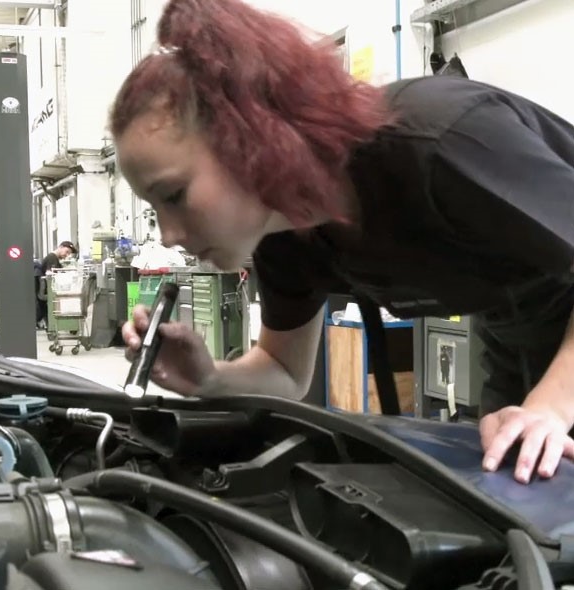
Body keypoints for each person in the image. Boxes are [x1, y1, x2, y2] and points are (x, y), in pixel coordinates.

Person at [113, 0, 574, 485]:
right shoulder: (283, 233)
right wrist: (209, 378)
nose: (168, 235)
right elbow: (285, 372)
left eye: (174, 195)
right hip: (512, 337)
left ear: (245, 141)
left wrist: (549, 406)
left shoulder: (439, 142)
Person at [36, 241, 78, 328]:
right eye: (66, 252)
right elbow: (51, 274)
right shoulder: (52, 258)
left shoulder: (55, 259)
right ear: (61, 247)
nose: (66, 255)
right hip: (48, 292)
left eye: (69, 254)